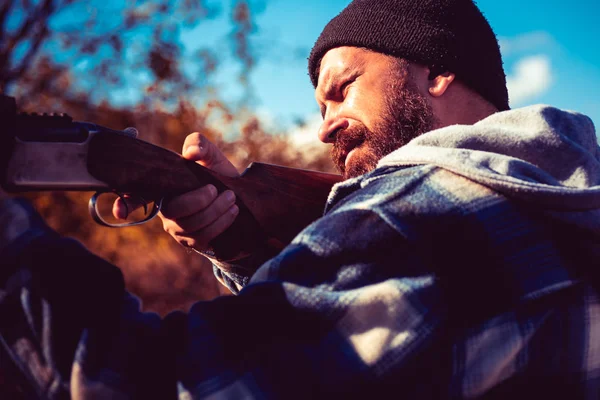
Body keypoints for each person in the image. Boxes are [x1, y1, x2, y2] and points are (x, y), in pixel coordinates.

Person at [1, 0, 600, 398]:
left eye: (343, 90)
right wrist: (240, 243)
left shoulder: (417, 215)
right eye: (320, 108)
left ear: (436, 72)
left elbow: (172, 382)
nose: (323, 128)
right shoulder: (556, 196)